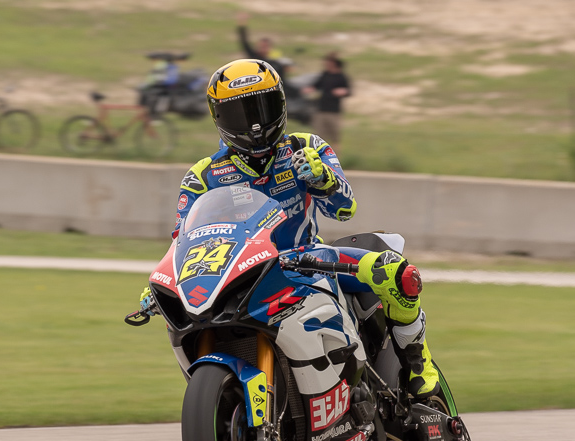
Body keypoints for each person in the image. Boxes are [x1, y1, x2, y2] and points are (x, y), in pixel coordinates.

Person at [139, 59, 440, 399]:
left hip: (309, 259)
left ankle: (417, 362)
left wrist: (323, 180)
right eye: (240, 114)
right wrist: (166, 281)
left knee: (394, 271)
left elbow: (344, 209)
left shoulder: (306, 147)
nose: (253, 124)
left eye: (262, 107)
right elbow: (185, 239)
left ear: (280, 104)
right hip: (243, 274)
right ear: (219, 118)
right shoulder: (202, 176)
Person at [303, 53, 351, 145]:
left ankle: (335, 157)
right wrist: (308, 89)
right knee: (318, 138)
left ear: (333, 63)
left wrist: (342, 91)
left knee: (335, 138)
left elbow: (348, 91)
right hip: (321, 110)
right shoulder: (324, 75)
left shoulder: (341, 77)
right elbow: (315, 86)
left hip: (334, 111)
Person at [236, 13, 287, 81]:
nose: (263, 49)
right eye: (262, 47)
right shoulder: (254, 58)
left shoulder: (276, 64)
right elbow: (244, 41)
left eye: (265, 47)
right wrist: (242, 23)